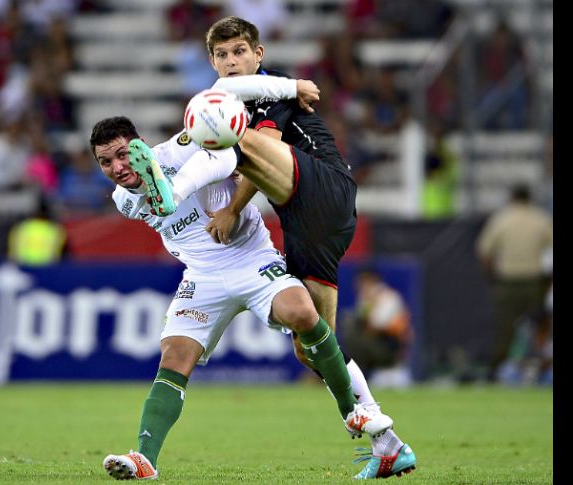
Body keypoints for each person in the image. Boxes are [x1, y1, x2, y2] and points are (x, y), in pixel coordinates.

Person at [129, 16, 416, 480]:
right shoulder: (240, 98)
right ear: (212, 61)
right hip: (306, 225)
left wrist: (226, 211)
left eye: (240, 51)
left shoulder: (263, 92)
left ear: (258, 55)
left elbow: (258, 150)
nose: (231, 61)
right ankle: (388, 444)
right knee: (314, 345)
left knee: (224, 127)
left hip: (323, 184)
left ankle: (170, 192)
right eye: (222, 55)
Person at [92, 116, 393, 481]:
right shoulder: (123, 200)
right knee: (173, 358)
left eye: (123, 154)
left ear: (140, 146)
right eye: (106, 162)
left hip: (250, 257)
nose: (118, 167)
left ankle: (352, 410)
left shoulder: (177, 150)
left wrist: (234, 195)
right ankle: (144, 458)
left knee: (302, 313)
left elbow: (228, 149)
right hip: (202, 278)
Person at [476, 184, 553, 382]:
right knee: (539, 330)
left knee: (505, 329)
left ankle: (496, 373)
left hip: (508, 281)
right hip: (535, 281)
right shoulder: (541, 219)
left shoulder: (502, 219)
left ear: (511, 197)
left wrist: (492, 276)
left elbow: (484, 251)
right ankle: (538, 372)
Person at [342, 269, 414, 388]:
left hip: (388, 347)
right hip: (373, 346)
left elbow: (378, 325)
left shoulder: (388, 297)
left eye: (363, 283)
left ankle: (351, 377)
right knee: (350, 330)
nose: (360, 287)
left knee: (353, 335)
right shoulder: (364, 300)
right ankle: (352, 377)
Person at [7, 197, 66, 266]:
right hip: (45, 268)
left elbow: (12, 253)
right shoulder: (55, 230)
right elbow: (56, 255)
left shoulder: (21, 228)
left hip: (23, 266)